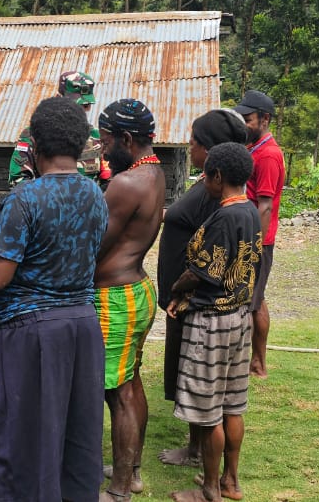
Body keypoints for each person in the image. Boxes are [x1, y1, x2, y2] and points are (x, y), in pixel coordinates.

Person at [0, 96, 108, 502]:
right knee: (71, 434)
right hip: (81, 326)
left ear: (35, 147)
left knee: (18, 438)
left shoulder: (27, 198)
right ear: (80, 146)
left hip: (31, 333)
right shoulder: (95, 195)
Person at [166, 143, 262, 502]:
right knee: (233, 405)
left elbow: (205, 270)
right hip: (240, 318)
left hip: (212, 322)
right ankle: (230, 482)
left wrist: (177, 289)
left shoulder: (224, 216)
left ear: (218, 176)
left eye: (206, 174)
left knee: (209, 414)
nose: (203, 179)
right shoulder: (250, 211)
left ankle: (208, 490)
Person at [157, 110, 249, 469]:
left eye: (194, 141)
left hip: (196, 302)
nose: (190, 146)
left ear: (210, 152)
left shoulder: (217, 195)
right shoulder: (209, 187)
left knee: (197, 375)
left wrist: (181, 291)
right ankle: (197, 447)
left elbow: (210, 258)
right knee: (190, 371)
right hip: (187, 300)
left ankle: (197, 450)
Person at [94, 99, 166, 501]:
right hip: (136, 290)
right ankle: (132, 470)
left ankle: (119, 489)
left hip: (113, 298)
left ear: (126, 138)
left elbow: (94, 247)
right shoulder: (154, 172)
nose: (103, 149)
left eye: (106, 140)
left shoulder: (125, 184)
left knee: (115, 393)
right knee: (131, 382)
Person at [233, 90, 285, 378]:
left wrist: (253, 247)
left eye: (248, 119)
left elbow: (264, 206)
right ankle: (253, 361)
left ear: (265, 119)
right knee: (254, 298)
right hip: (248, 237)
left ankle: (259, 363)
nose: (244, 125)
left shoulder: (268, 156)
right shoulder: (253, 149)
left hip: (258, 241)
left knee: (255, 300)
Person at [9, 71, 107, 186]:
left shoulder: (96, 136)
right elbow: (18, 180)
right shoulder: (34, 134)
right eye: (76, 104)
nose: (83, 109)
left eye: (85, 105)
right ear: (59, 99)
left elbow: (108, 179)